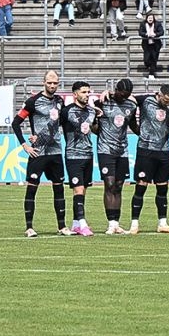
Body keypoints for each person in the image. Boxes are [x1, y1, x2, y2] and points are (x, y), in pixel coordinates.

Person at [13, 70, 69, 236]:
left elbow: (63, 121)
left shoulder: (60, 101)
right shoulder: (33, 101)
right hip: (38, 151)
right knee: (32, 188)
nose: (52, 85)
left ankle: (62, 226)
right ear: (43, 82)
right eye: (49, 82)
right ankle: (29, 227)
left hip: (56, 150)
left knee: (59, 189)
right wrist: (25, 145)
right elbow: (16, 123)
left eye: (55, 83)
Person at [129, 82, 169, 234]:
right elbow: (129, 97)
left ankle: (163, 223)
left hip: (163, 151)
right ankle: (134, 224)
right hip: (145, 150)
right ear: (159, 94)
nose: (167, 104)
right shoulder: (145, 100)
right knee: (141, 187)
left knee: (163, 188)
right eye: (165, 100)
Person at [94, 78, 140, 235]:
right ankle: (110, 222)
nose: (124, 97)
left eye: (127, 95)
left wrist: (144, 134)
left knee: (119, 186)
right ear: (116, 90)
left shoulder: (131, 105)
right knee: (109, 183)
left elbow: (132, 124)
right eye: (122, 93)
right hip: (105, 149)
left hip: (122, 150)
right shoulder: (104, 101)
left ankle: (116, 223)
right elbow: (91, 112)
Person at [59, 81, 99, 236]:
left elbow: (94, 128)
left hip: (88, 154)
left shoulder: (92, 111)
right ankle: (83, 223)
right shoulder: (66, 111)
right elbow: (54, 126)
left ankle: (76, 223)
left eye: (88, 92)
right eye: (83, 92)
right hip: (73, 155)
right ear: (75, 94)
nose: (87, 95)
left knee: (83, 191)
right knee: (79, 189)